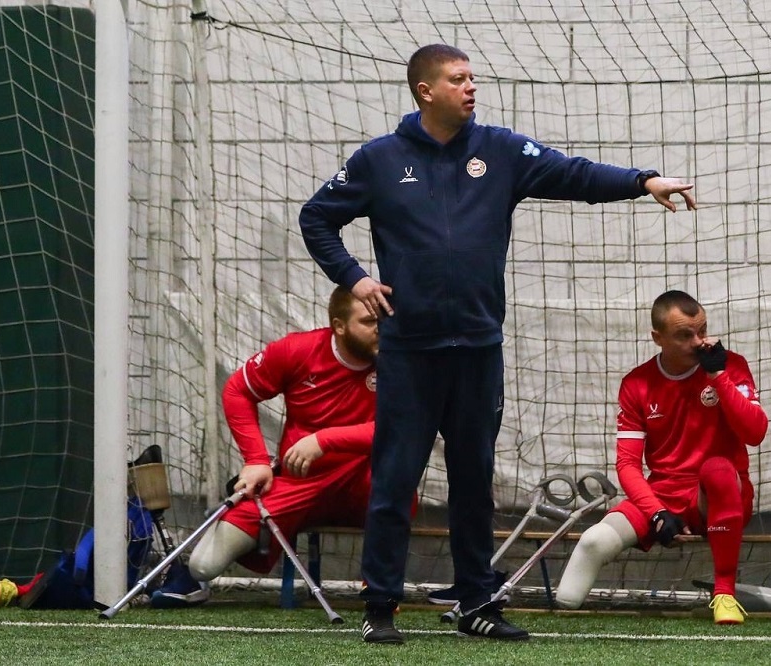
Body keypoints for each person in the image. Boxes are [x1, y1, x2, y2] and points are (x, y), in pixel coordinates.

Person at [298, 44, 697, 644]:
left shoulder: (501, 150)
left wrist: (643, 181)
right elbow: (316, 218)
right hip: (410, 352)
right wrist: (354, 278)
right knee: (395, 479)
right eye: (458, 79)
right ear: (425, 91)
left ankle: (476, 602)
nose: (471, 87)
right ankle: (379, 605)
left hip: (478, 350)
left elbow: (574, 174)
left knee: (473, 483)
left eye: (472, 78)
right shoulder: (379, 159)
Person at [149, 286, 380, 607]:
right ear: (339, 326)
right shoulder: (297, 350)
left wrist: (323, 440)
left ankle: (380, 588)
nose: (380, 329)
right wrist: (256, 459)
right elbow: (237, 391)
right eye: (369, 321)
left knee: (398, 486)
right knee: (203, 564)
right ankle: (194, 580)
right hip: (301, 481)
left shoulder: (401, 358)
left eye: (384, 320)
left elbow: (402, 428)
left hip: (367, 478)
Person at [554, 290, 768, 624]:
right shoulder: (637, 383)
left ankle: (725, 594)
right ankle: (561, 623)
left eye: (702, 330)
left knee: (718, 469)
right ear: (658, 338)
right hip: (664, 495)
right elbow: (627, 465)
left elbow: (755, 433)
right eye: (684, 335)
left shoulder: (730, 365)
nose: (699, 342)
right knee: (595, 542)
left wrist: (718, 377)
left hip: (719, 493)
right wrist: (656, 512)